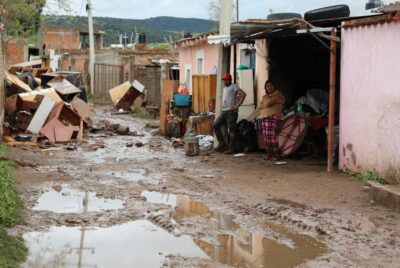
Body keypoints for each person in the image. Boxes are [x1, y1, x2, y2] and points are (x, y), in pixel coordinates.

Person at [213, 73, 247, 154]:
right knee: (215, 125)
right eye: (224, 80)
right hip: (224, 111)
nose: (224, 81)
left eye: (226, 80)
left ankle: (232, 148)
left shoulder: (234, 86)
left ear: (230, 80)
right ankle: (222, 144)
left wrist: (237, 105)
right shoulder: (225, 88)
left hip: (231, 112)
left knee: (232, 130)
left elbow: (243, 94)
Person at [259, 80, 285, 161]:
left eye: (271, 85)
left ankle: (276, 155)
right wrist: (264, 104)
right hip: (265, 117)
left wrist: (265, 104)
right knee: (266, 137)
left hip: (273, 117)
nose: (269, 87)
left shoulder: (278, 94)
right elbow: (260, 105)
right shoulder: (265, 96)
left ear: (274, 86)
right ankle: (269, 154)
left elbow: (267, 104)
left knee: (272, 136)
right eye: (267, 86)